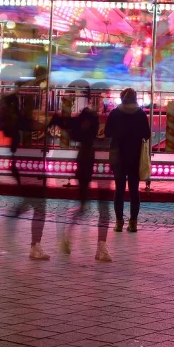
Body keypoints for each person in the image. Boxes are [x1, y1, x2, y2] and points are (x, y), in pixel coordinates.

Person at [54, 94, 111, 262]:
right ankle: (98, 246)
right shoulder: (92, 124)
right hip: (91, 163)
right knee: (95, 206)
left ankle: (68, 238)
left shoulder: (82, 127)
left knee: (85, 205)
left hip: (85, 162)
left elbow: (68, 126)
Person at [105, 87, 151, 232]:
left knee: (119, 190)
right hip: (135, 156)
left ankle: (119, 222)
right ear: (135, 98)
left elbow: (107, 132)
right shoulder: (140, 114)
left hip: (118, 156)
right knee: (134, 190)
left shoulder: (115, 113)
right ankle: (133, 223)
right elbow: (147, 134)